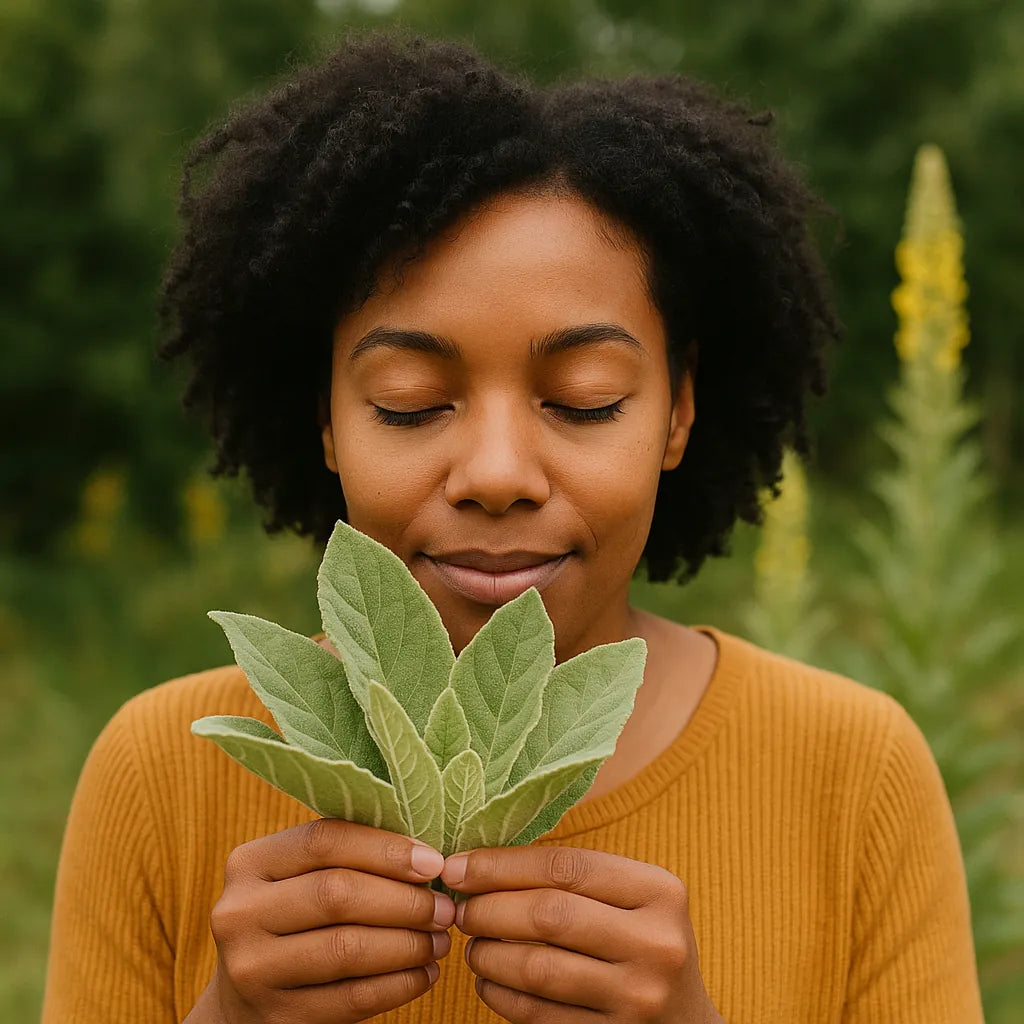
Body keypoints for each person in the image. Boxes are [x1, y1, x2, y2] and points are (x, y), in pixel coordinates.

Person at [42, 30, 983, 1024]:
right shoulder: (160, 771)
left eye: (582, 399)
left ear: (676, 412)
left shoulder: (852, 771)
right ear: (323, 417)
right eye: (409, 401)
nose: (497, 474)